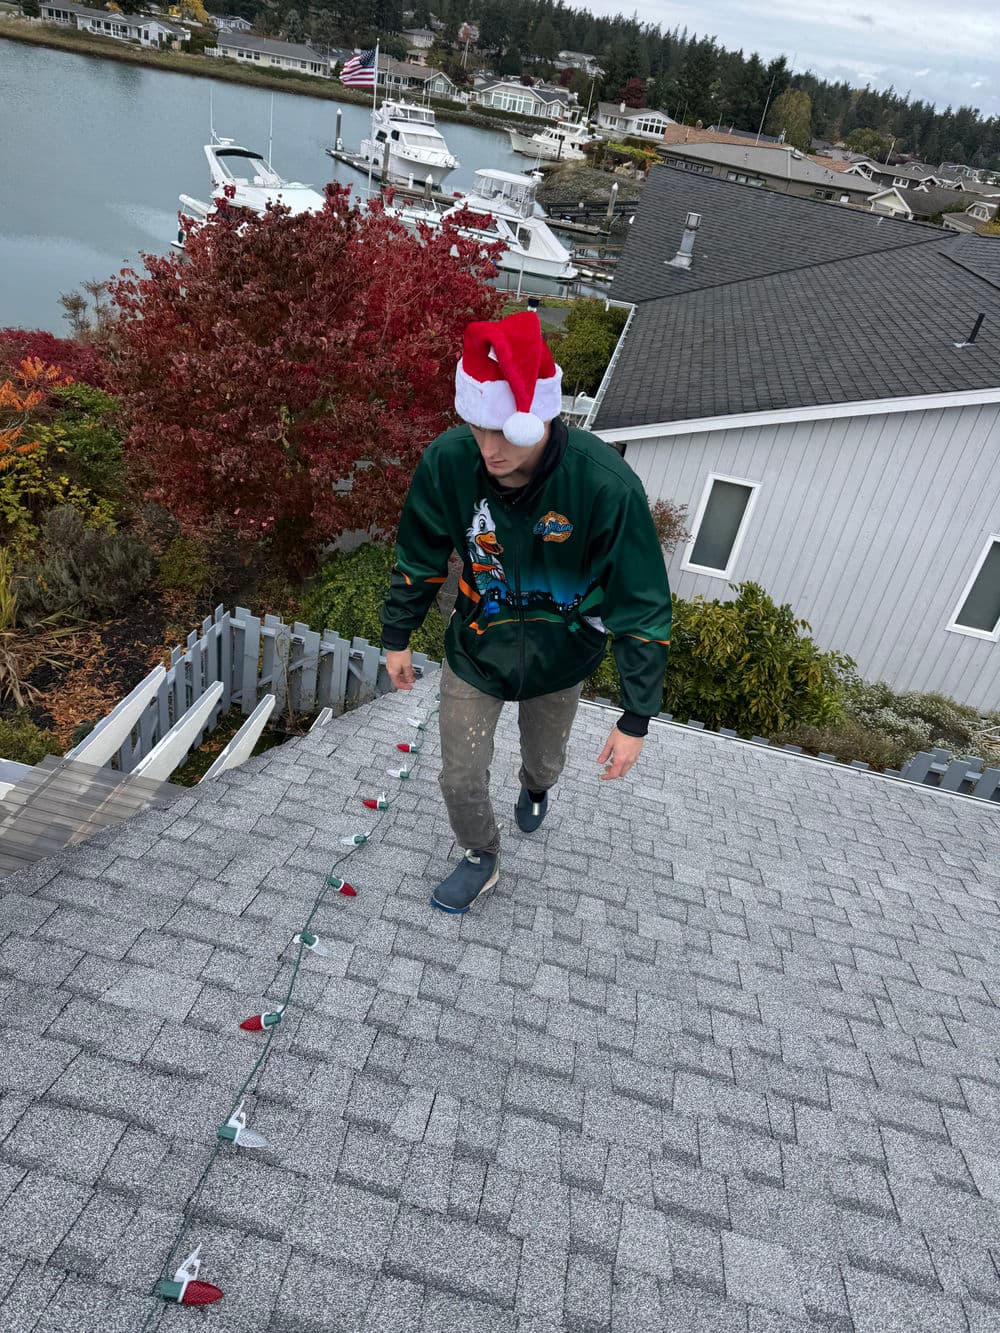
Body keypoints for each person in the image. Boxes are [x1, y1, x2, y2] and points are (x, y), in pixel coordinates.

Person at [379, 310, 671, 914]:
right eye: (478, 428)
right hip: (476, 647)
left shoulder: (604, 485)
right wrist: (397, 634)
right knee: (459, 775)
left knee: (545, 760)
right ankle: (480, 854)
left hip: (561, 657)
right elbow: (419, 553)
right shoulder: (449, 462)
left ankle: (536, 788)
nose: (489, 450)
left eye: (505, 433)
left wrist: (636, 717)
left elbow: (639, 602)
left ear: (541, 417)